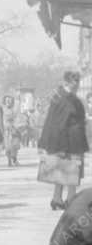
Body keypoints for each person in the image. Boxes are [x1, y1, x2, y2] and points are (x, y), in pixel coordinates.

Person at [39, 70, 88, 211]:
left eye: (78, 81)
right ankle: (70, 199)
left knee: (62, 169)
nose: (78, 84)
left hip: (67, 139)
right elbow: (58, 122)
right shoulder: (66, 99)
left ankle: (57, 199)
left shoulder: (61, 97)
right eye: (75, 81)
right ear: (67, 81)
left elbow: (52, 121)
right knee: (72, 168)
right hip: (68, 140)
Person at [1, 95, 21, 167]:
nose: (8, 102)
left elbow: (17, 117)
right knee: (8, 147)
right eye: (7, 100)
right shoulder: (2, 109)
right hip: (6, 131)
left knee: (15, 146)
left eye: (10, 100)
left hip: (14, 130)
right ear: (4, 101)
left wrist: (16, 126)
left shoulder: (14, 110)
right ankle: (9, 160)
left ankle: (14, 159)